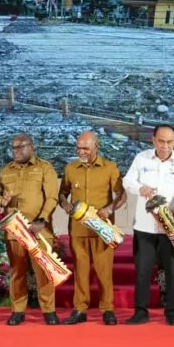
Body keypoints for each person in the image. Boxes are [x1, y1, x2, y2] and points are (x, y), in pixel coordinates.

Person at [122, 124, 174, 326]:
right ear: (153, 140)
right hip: (145, 227)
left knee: (172, 271)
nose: (165, 146)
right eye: (161, 141)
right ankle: (140, 312)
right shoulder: (141, 158)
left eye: (169, 142)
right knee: (143, 271)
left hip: (171, 226)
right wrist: (140, 188)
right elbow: (127, 181)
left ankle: (172, 312)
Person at [0, 133, 61, 326]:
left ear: (31, 147)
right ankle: (17, 310)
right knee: (17, 271)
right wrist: (1, 201)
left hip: (39, 229)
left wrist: (42, 219)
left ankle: (49, 310)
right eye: (13, 147)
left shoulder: (44, 168)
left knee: (43, 271)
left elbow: (52, 197)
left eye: (20, 147)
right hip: (14, 229)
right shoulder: (6, 170)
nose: (16, 151)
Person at [58, 130, 126, 325]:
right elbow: (62, 194)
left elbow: (121, 194)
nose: (81, 152)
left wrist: (109, 208)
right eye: (78, 148)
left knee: (104, 272)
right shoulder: (71, 168)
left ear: (96, 146)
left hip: (102, 231)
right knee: (80, 272)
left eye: (85, 148)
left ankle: (107, 309)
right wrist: (65, 204)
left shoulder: (110, 168)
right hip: (78, 230)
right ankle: (80, 309)